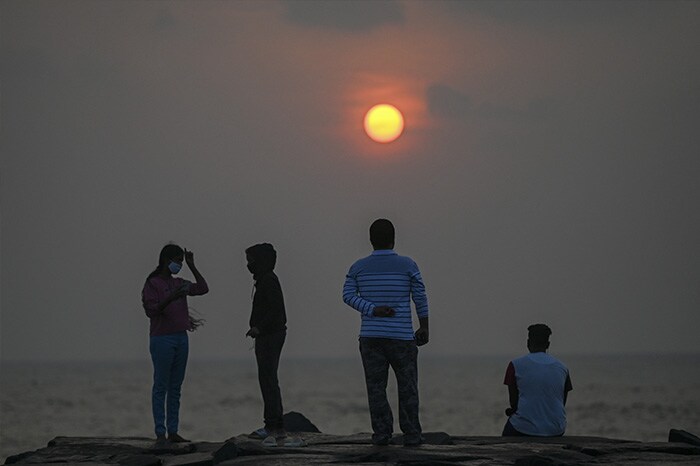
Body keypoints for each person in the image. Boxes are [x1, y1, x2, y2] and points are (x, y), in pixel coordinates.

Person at [342, 219, 430, 446]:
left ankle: (382, 434)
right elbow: (419, 296)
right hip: (402, 337)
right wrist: (424, 326)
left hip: (371, 337)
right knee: (408, 387)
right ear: (393, 239)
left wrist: (372, 309)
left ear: (370, 240)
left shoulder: (358, 267)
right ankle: (411, 434)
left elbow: (347, 296)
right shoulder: (408, 264)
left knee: (376, 388)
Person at [142, 244, 209, 443]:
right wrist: (171, 298)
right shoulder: (152, 283)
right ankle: (160, 432)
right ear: (166, 260)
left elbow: (203, 288)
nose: (179, 264)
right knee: (161, 385)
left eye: (181, 261)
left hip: (181, 337)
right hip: (162, 338)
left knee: (176, 387)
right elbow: (151, 310)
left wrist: (192, 265)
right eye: (177, 260)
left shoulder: (179, 282)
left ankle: (173, 430)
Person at [245, 243, 288, 443]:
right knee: (268, 378)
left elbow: (276, 309)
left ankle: (273, 425)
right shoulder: (264, 280)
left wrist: (259, 328)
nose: (248, 264)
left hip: (270, 335)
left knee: (268, 378)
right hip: (268, 335)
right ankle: (274, 424)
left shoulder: (268, 280)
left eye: (251, 260)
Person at [502, 324, 573, 437]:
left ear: (528, 343)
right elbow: (561, 401)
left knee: (506, 436)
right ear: (548, 344)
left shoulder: (515, 365)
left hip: (524, 429)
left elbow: (514, 403)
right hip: (556, 429)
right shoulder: (562, 367)